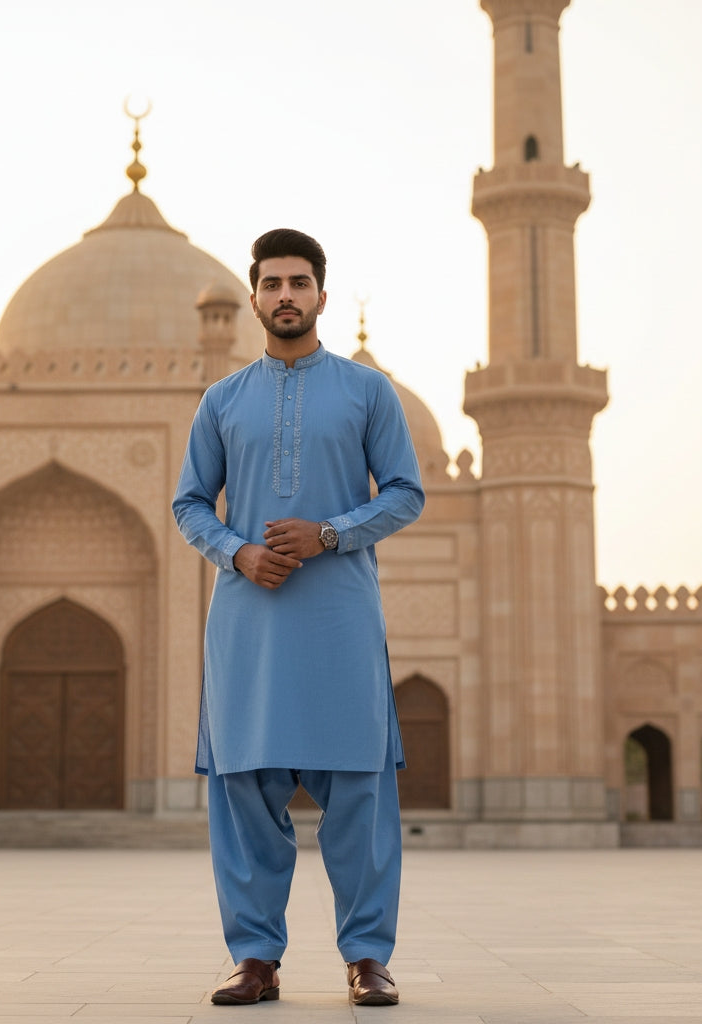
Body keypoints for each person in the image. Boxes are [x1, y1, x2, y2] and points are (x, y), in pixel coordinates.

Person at [172, 228, 425, 1007]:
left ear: (320, 294)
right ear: (252, 298)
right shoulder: (223, 401)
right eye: (272, 283)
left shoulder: (366, 391)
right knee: (245, 789)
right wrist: (237, 552)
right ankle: (254, 957)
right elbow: (188, 504)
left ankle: (367, 957)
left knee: (358, 789)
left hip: (340, 616)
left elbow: (406, 492)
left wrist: (330, 535)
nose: (286, 296)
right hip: (248, 621)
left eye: (299, 283)